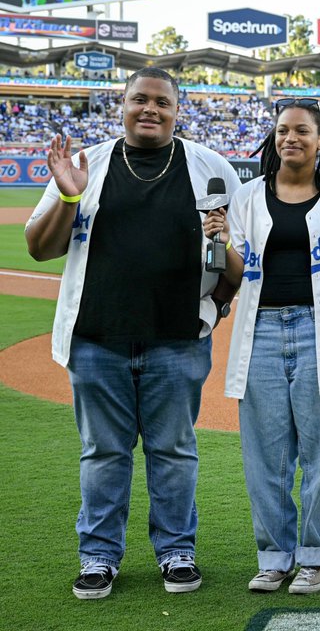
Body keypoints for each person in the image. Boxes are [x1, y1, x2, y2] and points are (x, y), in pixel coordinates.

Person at [25, 67, 238, 600]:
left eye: (162, 102)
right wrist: (69, 199)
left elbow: (241, 257)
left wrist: (219, 302)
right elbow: (39, 247)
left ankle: (176, 552)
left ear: (177, 110)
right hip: (97, 339)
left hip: (179, 340)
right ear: (121, 105)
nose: (150, 109)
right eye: (139, 100)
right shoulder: (88, 164)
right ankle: (98, 557)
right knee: (103, 452)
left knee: (174, 450)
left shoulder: (211, 167)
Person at [212, 97, 320, 595]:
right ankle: (274, 556)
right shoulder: (248, 196)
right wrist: (222, 244)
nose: (289, 139)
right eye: (282, 131)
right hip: (262, 332)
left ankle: (316, 556)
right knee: (266, 454)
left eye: (301, 131)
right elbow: (238, 275)